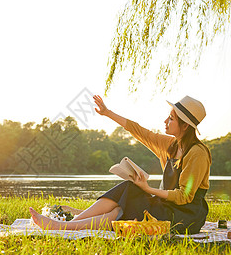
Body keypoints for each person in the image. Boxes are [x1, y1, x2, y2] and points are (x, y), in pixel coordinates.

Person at [29, 95, 212, 234]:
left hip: (185, 215)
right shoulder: (171, 145)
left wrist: (148, 189)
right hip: (164, 205)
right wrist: (108, 113)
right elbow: (139, 131)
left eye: (171, 119)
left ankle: (63, 226)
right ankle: (67, 224)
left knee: (123, 208)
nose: (165, 121)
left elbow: (184, 197)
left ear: (185, 126)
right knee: (126, 191)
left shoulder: (197, 153)